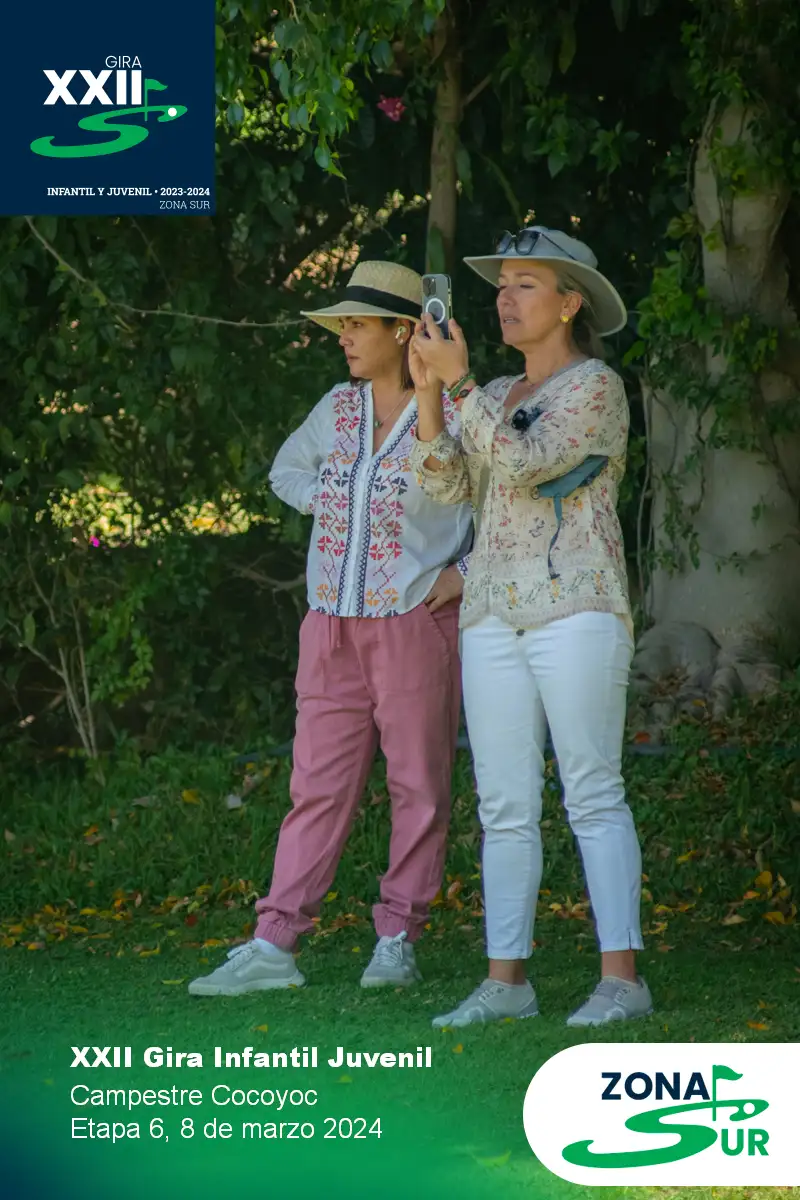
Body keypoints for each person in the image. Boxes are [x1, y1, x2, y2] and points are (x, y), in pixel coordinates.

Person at [189, 260, 471, 998]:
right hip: (330, 625)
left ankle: (398, 938)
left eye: (356, 324)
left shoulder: (453, 410)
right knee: (315, 785)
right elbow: (286, 471)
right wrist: (337, 499)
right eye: (341, 325)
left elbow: (498, 504)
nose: (343, 337)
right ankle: (274, 943)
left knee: (420, 787)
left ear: (402, 331)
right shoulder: (337, 408)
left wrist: (463, 576)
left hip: (412, 622)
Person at [407, 225, 652, 1028]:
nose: (505, 299)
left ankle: (623, 982)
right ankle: (506, 983)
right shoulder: (494, 392)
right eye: (502, 284)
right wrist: (430, 394)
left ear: (570, 303)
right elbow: (447, 487)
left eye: (525, 285)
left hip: (577, 606)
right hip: (490, 613)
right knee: (504, 805)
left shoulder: (596, 388)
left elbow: (525, 462)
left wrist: (461, 382)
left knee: (593, 793)